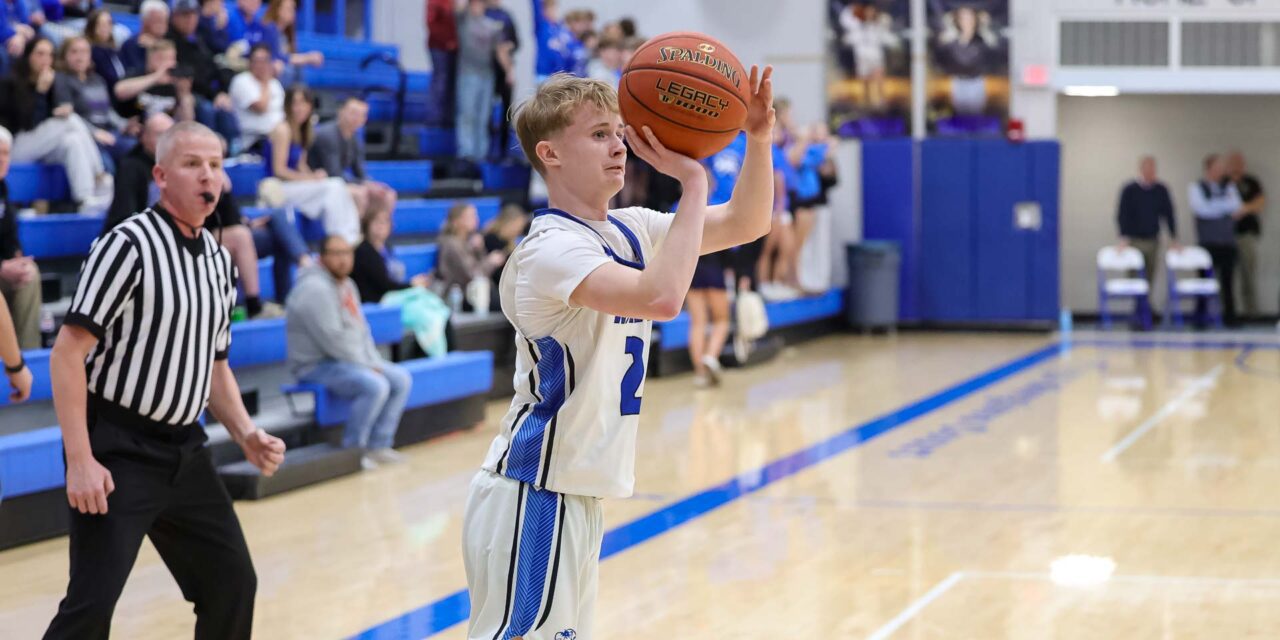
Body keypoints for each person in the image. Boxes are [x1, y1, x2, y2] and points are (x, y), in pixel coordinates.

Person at [462, 68, 774, 639]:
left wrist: (757, 137)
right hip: (537, 487)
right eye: (599, 133)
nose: (619, 145)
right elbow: (660, 297)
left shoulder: (632, 229)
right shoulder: (551, 249)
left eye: (618, 131)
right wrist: (694, 183)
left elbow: (749, 222)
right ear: (550, 153)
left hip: (576, 492)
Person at [42, 121, 285, 639]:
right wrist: (80, 459)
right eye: (192, 164)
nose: (208, 176)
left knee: (230, 583)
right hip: (117, 449)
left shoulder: (221, 263)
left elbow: (214, 365)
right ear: (161, 175)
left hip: (186, 450)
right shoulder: (126, 245)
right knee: (90, 607)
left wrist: (245, 433)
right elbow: (66, 355)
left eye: (216, 165)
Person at [102, 113, 285, 319]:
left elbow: (229, 218)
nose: (206, 172)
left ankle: (253, 306)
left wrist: (222, 188)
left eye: (214, 164)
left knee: (241, 235)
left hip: (195, 236)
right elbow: (122, 220)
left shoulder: (204, 174)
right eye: (193, 164)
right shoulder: (132, 168)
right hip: (157, 243)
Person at [286, 234, 413, 469]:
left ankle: (379, 446)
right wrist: (367, 365)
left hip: (346, 361)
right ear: (322, 258)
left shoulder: (346, 284)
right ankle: (353, 451)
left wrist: (373, 360)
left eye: (347, 253)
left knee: (401, 378)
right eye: (336, 254)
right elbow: (332, 341)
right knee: (376, 385)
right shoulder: (314, 289)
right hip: (316, 365)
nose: (343, 259)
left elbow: (362, 330)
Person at [0, 35, 110, 211]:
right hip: (16, 147)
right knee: (70, 121)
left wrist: (53, 98)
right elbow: (26, 123)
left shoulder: (54, 81)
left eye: (49, 55)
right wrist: (40, 93)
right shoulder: (10, 83)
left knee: (72, 140)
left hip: (43, 146)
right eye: (40, 54)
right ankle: (100, 174)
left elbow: (54, 114)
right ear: (28, 56)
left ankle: (85, 199)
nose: (45, 59)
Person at [265, 85, 362, 243]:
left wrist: (314, 176)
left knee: (336, 185)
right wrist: (310, 179)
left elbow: (301, 165)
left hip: (293, 185)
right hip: (279, 187)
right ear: (287, 106)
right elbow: (279, 170)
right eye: (295, 103)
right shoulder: (283, 129)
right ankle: (339, 239)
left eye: (303, 103)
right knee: (334, 187)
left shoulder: (303, 130)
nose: (299, 108)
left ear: (310, 106)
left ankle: (350, 236)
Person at [309, 96, 397, 220]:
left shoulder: (354, 138)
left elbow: (359, 171)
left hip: (337, 181)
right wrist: (364, 184)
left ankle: (376, 236)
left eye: (362, 115)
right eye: (353, 113)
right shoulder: (327, 135)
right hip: (319, 181)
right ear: (341, 112)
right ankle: (355, 237)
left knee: (387, 195)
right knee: (360, 194)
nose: (357, 118)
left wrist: (371, 184)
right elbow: (334, 172)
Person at [167, 0, 240, 150]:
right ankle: (205, 149)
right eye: (185, 15)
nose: (190, 19)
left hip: (207, 92)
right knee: (207, 109)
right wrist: (214, 95)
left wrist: (222, 92)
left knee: (226, 109)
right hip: (184, 92)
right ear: (174, 17)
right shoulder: (171, 42)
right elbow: (189, 75)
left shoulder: (199, 39)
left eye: (194, 15)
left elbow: (214, 65)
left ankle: (233, 153)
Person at [55, 35, 132, 172]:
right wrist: (94, 132)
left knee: (135, 149)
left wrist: (124, 125)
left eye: (84, 52)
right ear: (64, 56)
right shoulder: (62, 80)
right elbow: (68, 116)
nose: (80, 57)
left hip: (109, 132)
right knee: (106, 166)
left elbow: (108, 111)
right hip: (85, 136)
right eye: (74, 52)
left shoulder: (98, 80)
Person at [1188, 154, 1245, 326]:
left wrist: (1215, 205)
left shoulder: (1229, 186)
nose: (1221, 171)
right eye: (1217, 168)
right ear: (1209, 169)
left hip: (1227, 242)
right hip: (1207, 243)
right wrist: (1223, 207)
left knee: (1228, 281)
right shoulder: (1197, 187)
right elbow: (1202, 210)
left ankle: (1230, 317)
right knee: (1203, 281)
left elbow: (1237, 206)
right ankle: (1200, 318)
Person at [0, 124, 42, 350]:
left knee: (29, 275)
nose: (2, 159)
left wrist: (17, 261)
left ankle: (26, 354)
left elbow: (10, 237)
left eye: (5, 153)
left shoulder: (3, 189)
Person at [455, 0, 512, 164]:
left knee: (483, 116)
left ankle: (480, 154)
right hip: (468, 74)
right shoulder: (464, 20)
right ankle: (466, 152)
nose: (477, 7)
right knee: (467, 113)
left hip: (487, 75)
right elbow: (458, 7)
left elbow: (500, 51)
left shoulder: (491, 26)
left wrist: (509, 71)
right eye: (474, 4)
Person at [1116, 155, 1178, 292]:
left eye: (1152, 168)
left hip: (1152, 239)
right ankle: (1135, 305)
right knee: (1133, 275)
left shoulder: (1161, 190)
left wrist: (1173, 237)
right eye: (1147, 168)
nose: (1150, 171)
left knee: (1150, 273)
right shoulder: (1130, 190)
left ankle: (1146, 304)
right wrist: (1123, 236)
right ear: (1141, 169)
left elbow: (1169, 214)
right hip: (1134, 239)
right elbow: (1122, 214)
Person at [434, 201, 503, 309]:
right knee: (507, 304)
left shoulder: (468, 242)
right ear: (457, 221)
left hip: (476, 291)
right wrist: (490, 261)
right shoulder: (451, 244)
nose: (476, 219)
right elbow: (473, 275)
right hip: (462, 296)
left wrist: (480, 250)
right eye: (471, 216)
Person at [1226, 151, 1264, 319]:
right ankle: (1229, 313)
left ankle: (1251, 313)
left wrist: (1243, 209)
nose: (1236, 166)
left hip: (1246, 235)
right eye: (1233, 163)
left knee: (1248, 274)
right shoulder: (1223, 183)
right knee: (1226, 277)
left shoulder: (1251, 182)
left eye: (1239, 162)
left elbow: (1260, 203)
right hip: (1225, 237)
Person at [247, 0, 323, 85]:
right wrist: (307, 58)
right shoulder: (269, 28)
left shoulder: (286, 34)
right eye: (289, 8)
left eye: (294, 9)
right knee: (287, 70)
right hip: (264, 70)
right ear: (278, 10)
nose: (292, 12)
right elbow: (277, 57)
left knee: (298, 69)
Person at [227, 42, 282, 151]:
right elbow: (261, 108)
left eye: (265, 60)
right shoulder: (242, 81)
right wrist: (265, 83)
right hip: (254, 140)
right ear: (250, 62)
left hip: (278, 136)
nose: (262, 65)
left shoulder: (275, 83)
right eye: (258, 61)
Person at [485, 0, 518, 160]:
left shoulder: (506, 15)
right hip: (486, 70)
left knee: (507, 111)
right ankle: (488, 150)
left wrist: (508, 46)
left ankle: (504, 149)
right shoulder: (482, 13)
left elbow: (516, 41)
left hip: (505, 71)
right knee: (486, 112)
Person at [424, 0, 457, 127]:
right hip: (439, 47)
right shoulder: (436, 2)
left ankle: (448, 118)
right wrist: (447, 41)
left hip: (455, 49)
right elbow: (431, 24)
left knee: (451, 84)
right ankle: (434, 119)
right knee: (440, 81)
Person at [480, 202, 527, 287]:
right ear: (509, 223)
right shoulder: (490, 239)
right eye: (518, 226)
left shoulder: (509, 243)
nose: (519, 231)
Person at [83, 10, 126, 97]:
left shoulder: (114, 50)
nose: (105, 28)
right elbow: (110, 78)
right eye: (100, 24)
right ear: (92, 27)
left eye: (108, 23)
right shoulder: (91, 50)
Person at [118, 0, 169, 74]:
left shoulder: (169, 44)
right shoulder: (130, 45)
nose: (163, 25)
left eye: (165, 20)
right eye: (158, 20)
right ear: (144, 21)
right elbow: (131, 73)